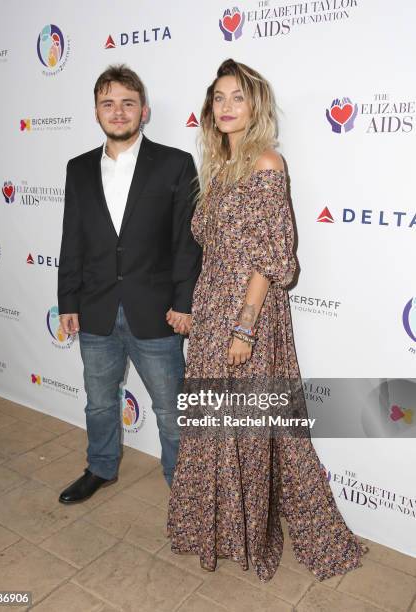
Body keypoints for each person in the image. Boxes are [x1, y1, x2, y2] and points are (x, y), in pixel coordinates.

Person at [167, 58, 368, 581]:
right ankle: (214, 530)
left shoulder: (266, 164)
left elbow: (271, 256)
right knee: (214, 424)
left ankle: (250, 531)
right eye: (219, 98)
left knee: (251, 428)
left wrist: (245, 326)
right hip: (212, 307)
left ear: (255, 106)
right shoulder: (216, 171)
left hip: (246, 312)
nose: (227, 106)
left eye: (238, 97)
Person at [57, 64, 201, 504]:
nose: (118, 112)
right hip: (96, 306)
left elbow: (187, 242)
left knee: (171, 411)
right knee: (99, 403)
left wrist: (185, 301)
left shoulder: (176, 163)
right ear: (96, 112)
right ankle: (100, 467)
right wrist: (68, 300)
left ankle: (185, 489)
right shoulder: (78, 168)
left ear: (145, 111)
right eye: (108, 104)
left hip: (157, 310)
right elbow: (73, 237)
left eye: (127, 103)